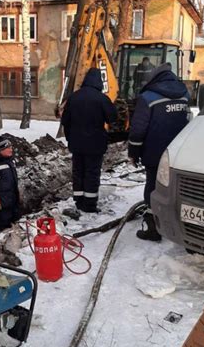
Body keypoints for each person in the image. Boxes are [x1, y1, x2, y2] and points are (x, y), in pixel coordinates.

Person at [128, 63, 190, 241]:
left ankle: (153, 228)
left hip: (154, 153)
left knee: (152, 187)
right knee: (175, 188)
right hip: (178, 153)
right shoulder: (184, 94)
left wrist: (134, 152)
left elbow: (138, 130)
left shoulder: (148, 97)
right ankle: (178, 227)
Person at [61, 67, 117, 213]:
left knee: (78, 171)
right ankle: (90, 204)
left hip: (77, 143)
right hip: (95, 143)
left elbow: (65, 121)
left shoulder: (73, 97)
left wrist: (70, 138)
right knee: (92, 172)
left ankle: (79, 201)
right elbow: (113, 118)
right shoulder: (102, 99)